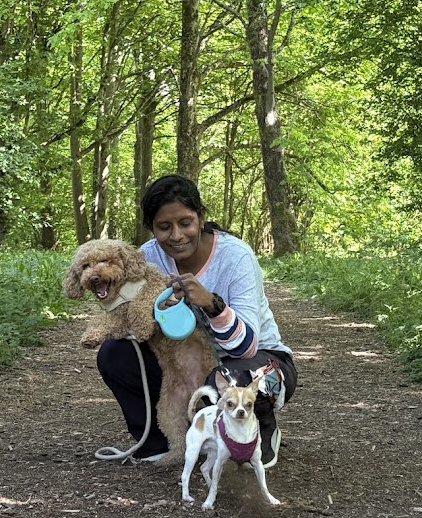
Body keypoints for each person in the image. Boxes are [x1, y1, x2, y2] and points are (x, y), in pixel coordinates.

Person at [96, 173, 297, 466]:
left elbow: (247, 348)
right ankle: (157, 441)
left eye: (185, 223)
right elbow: (129, 317)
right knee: (115, 354)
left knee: (229, 379)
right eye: (164, 227)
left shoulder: (236, 257)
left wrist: (212, 305)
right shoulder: (147, 258)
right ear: (151, 228)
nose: (176, 236)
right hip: (184, 357)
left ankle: (261, 429)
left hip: (256, 360)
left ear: (201, 218)